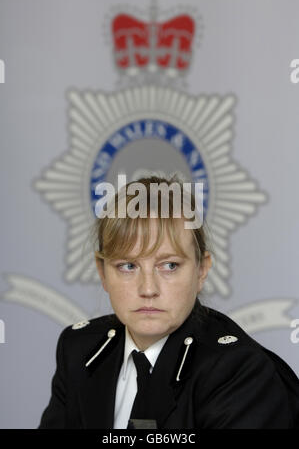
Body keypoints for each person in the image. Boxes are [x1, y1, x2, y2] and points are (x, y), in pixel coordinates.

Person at [38, 175, 299, 429]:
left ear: (201, 270)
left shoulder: (239, 371)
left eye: (169, 265)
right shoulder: (79, 349)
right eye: (128, 266)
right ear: (102, 271)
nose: (148, 288)